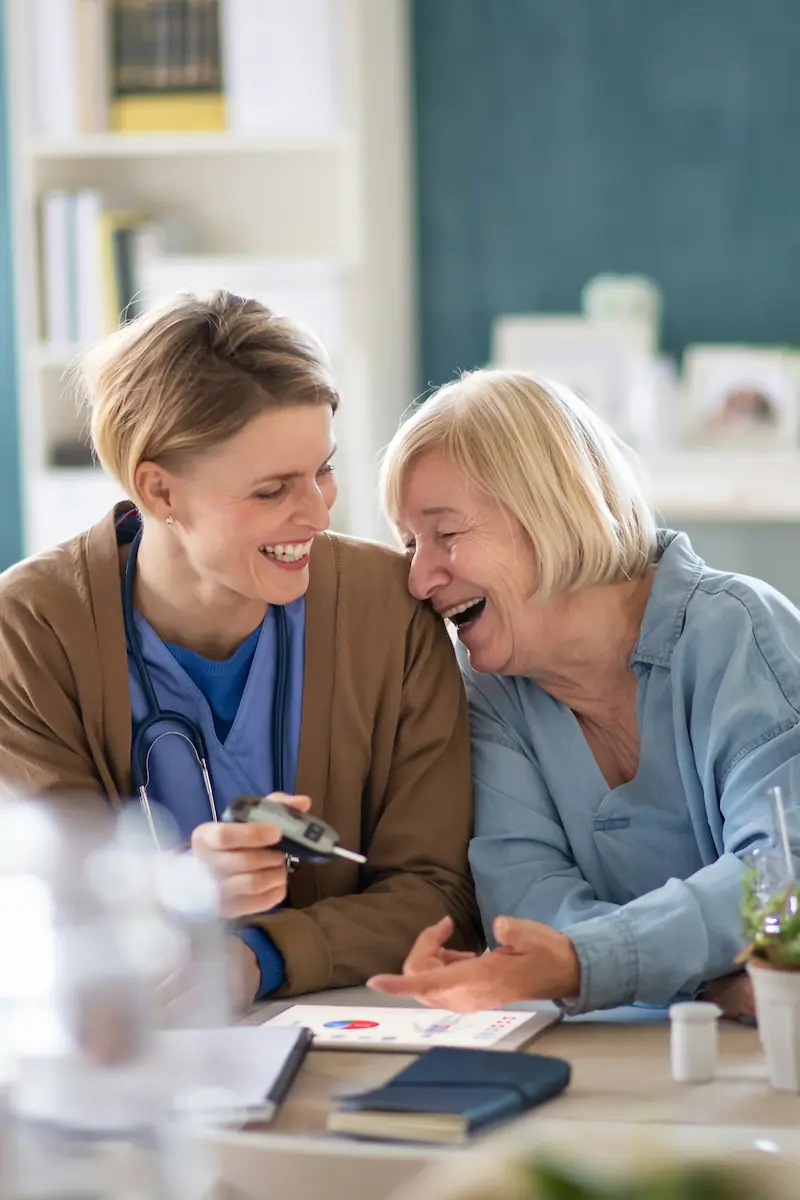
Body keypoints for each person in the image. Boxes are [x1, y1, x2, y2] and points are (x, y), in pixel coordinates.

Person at [0, 291, 480, 1009]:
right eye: (271, 490)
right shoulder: (32, 629)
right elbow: (46, 911)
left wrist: (257, 959)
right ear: (159, 488)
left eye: (323, 469)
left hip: (356, 1030)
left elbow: (439, 895)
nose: (318, 513)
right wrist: (174, 890)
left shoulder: (390, 609)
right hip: (133, 1049)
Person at [369, 368, 800, 1017]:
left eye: (446, 535)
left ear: (550, 508)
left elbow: (778, 877)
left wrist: (584, 964)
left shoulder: (736, 630)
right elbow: (532, 908)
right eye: (409, 544)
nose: (420, 578)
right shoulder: (494, 694)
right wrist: (707, 980)